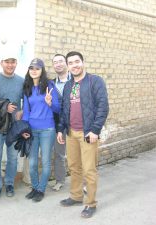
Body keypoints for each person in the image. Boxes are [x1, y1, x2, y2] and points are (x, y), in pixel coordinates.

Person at [57, 51, 109, 218]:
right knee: (74, 167)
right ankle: (76, 196)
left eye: (77, 61)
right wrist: (60, 129)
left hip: (88, 133)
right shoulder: (68, 85)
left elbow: (103, 106)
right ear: (68, 66)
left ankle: (91, 203)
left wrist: (95, 130)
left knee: (89, 169)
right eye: (71, 63)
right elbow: (64, 109)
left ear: (83, 62)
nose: (74, 65)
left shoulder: (95, 81)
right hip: (71, 133)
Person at [0, 54, 24, 200]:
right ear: (1, 63)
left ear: (16, 63)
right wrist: (4, 107)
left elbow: (26, 100)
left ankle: (9, 183)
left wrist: (22, 111)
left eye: (12, 62)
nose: (10, 65)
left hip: (14, 126)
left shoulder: (21, 81)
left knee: (13, 158)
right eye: (7, 62)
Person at [22, 58, 60, 202]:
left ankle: (41, 189)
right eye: (31, 68)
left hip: (47, 129)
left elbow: (57, 108)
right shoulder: (27, 87)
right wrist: (25, 128)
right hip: (32, 129)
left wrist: (50, 103)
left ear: (42, 70)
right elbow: (26, 110)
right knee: (31, 163)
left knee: (45, 161)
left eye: (37, 68)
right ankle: (35, 187)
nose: (34, 71)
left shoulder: (49, 86)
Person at [51, 53, 71, 191]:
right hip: (58, 124)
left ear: (66, 63)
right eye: (55, 62)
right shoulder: (51, 84)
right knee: (59, 154)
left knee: (80, 154)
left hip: (76, 122)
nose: (58, 64)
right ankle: (60, 180)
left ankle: (83, 183)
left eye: (60, 61)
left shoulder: (76, 80)